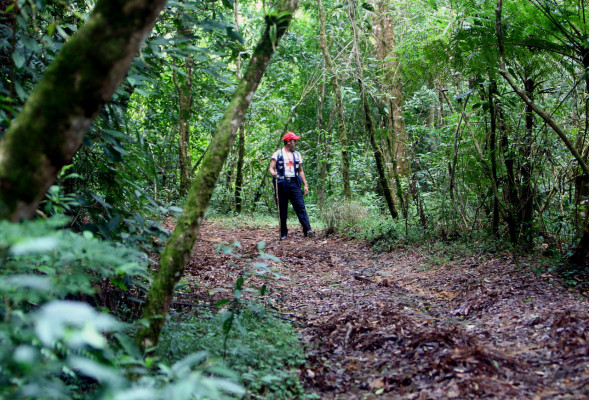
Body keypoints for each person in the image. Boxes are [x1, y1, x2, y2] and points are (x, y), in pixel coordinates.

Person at [269, 132, 314, 240]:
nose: (296, 142)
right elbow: (271, 168)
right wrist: (273, 173)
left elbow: (301, 170)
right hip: (282, 183)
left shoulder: (297, 154)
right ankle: (283, 233)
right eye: (294, 140)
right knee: (282, 209)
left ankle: (307, 229)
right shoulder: (278, 154)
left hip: (294, 183)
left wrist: (305, 185)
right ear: (288, 141)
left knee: (300, 206)